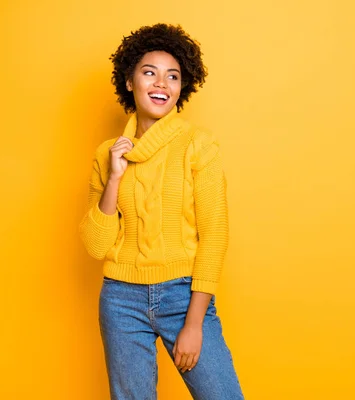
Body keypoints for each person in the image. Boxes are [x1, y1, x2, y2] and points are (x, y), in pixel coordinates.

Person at [79, 23, 244, 400]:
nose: (161, 84)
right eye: (149, 72)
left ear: (181, 88)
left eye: (173, 76)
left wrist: (195, 323)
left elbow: (215, 234)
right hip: (121, 300)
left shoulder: (198, 145)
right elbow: (95, 244)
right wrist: (115, 179)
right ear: (129, 81)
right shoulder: (108, 154)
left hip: (183, 295)